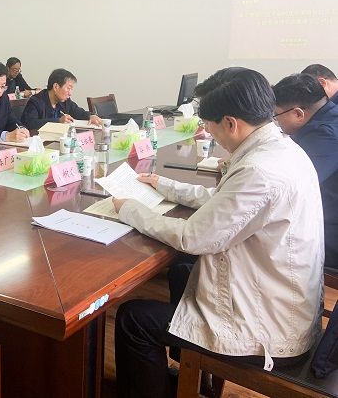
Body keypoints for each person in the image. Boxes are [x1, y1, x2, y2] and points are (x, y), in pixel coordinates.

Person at [110, 69, 324, 398]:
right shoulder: (280, 149)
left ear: (230, 123)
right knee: (181, 273)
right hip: (282, 302)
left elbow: (193, 238)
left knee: (133, 319)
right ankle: (188, 375)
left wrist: (130, 209)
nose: (208, 132)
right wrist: (164, 184)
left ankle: (172, 376)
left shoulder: (259, 169)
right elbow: (226, 202)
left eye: (208, 125)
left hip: (270, 331)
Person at [273, 73, 338, 269]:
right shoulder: (327, 117)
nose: (277, 123)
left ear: (298, 114)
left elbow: (289, 185)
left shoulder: (326, 134)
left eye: (277, 115)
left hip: (327, 231)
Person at [20, 68, 102, 130]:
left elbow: (78, 111)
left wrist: (91, 116)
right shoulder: (36, 101)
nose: (70, 93)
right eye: (68, 88)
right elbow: (30, 124)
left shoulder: (65, 101)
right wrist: (58, 121)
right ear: (56, 87)